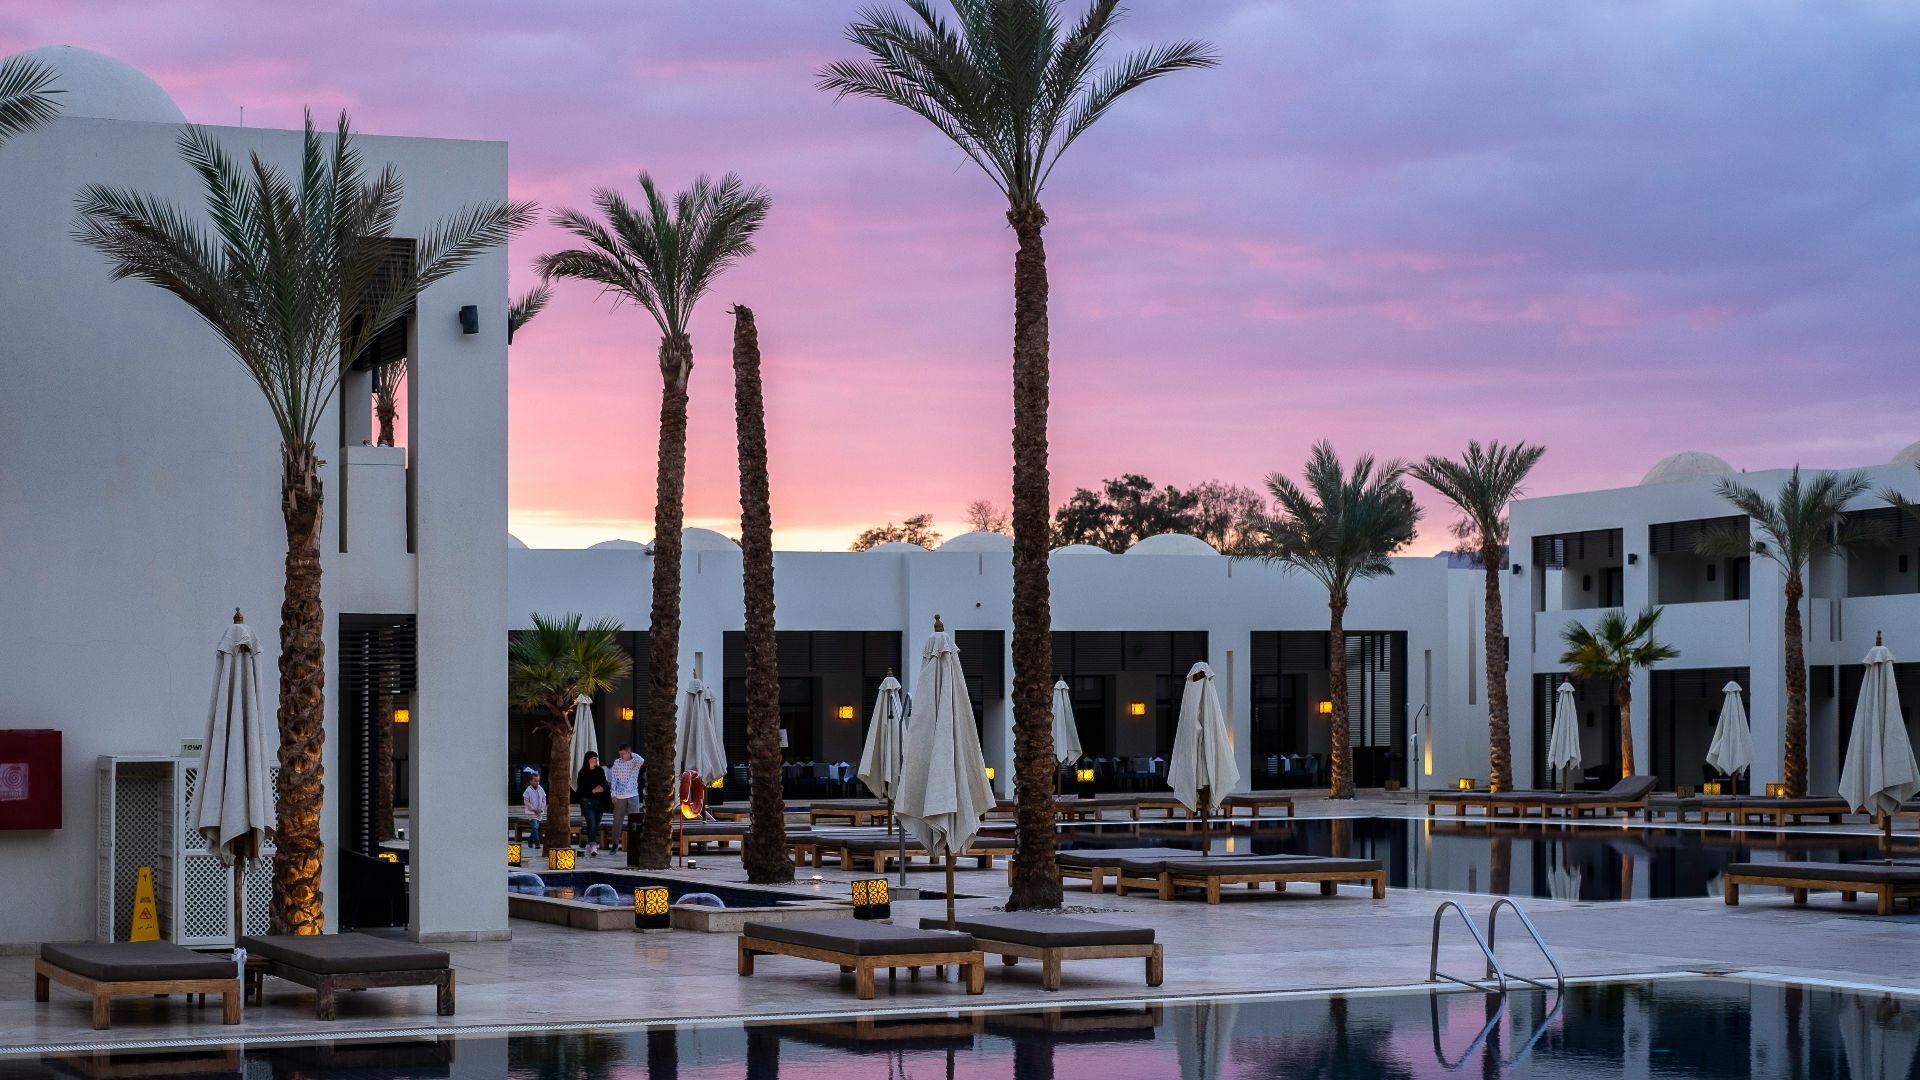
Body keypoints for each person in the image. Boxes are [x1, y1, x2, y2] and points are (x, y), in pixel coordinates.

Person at [606, 744, 643, 854]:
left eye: (623, 754)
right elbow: (614, 779)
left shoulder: (635, 761)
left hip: (633, 794)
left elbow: (642, 760)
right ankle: (615, 844)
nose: (621, 756)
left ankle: (634, 845)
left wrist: (632, 754)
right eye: (620, 754)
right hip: (620, 796)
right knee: (617, 821)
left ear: (628, 752)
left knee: (634, 821)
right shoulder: (617, 762)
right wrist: (613, 794)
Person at [576, 751, 610, 856]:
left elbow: (605, 783)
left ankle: (592, 843)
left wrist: (602, 788)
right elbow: (580, 790)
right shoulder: (582, 773)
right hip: (587, 802)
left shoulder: (599, 770)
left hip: (599, 801)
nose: (594, 761)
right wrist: (592, 791)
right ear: (587, 760)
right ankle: (593, 845)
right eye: (592, 759)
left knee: (596, 824)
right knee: (592, 823)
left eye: (595, 759)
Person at [521, 767, 547, 852]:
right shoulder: (528, 791)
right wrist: (533, 809)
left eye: (538, 781)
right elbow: (527, 802)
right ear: (531, 781)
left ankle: (530, 840)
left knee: (535, 828)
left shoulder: (541, 789)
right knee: (535, 827)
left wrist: (541, 809)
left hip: (539, 812)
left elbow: (544, 799)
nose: (537, 782)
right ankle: (537, 843)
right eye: (535, 781)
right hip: (531, 812)